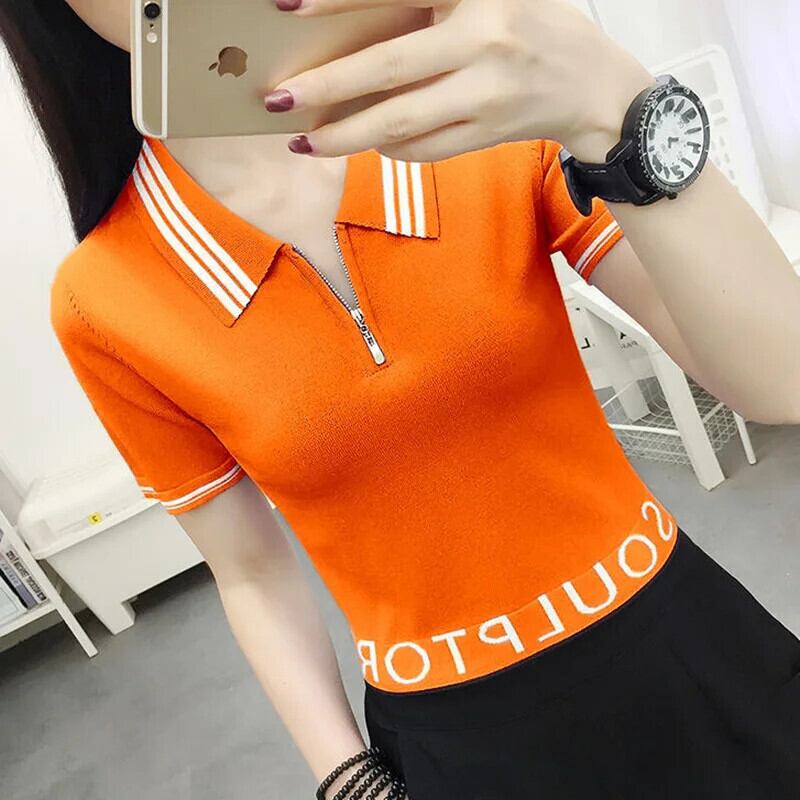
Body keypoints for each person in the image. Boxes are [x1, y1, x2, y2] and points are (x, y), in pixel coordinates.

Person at [2, 0, 799, 797]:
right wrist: (348, 779)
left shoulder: (481, 114)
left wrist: (611, 100)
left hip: (690, 650)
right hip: (455, 746)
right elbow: (248, 573)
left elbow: (783, 378)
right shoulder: (104, 300)